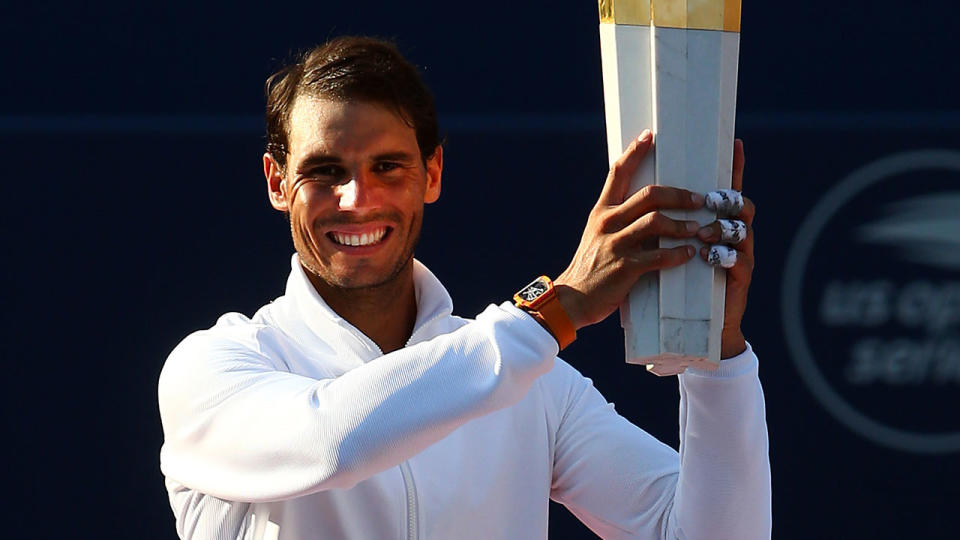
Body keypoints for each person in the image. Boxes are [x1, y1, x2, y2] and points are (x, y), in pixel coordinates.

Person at [158, 36, 770, 540]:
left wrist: (716, 360)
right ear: (277, 181)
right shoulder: (211, 369)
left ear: (433, 174)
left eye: (387, 167)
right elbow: (330, 442)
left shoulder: (534, 382)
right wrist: (556, 309)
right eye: (325, 172)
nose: (357, 199)